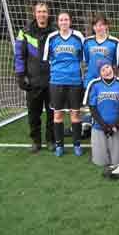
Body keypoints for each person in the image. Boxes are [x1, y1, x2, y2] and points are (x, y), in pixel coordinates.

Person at [14, 2, 56, 153]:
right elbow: (19, 55)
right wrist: (20, 76)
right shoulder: (25, 32)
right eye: (39, 11)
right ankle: (36, 141)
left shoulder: (55, 32)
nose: (42, 14)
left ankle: (51, 140)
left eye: (44, 11)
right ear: (35, 14)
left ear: (48, 14)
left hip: (52, 81)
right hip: (33, 81)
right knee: (33, 114)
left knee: (52, 114)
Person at [43, 12, 84, 157]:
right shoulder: (52, 38)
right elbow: (47, 59)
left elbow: (82, 58)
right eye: (61, 20)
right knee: (57, 114)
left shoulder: (78, 36)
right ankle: (60, 145)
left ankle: (77, 144)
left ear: (70, 21)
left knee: (75, 114)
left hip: (74, 81)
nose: (64, 22)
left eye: (66, 19)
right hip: (57, 81)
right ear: (58, 22)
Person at [83, 62, 119, 166]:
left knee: (117, 162)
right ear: (99, 74)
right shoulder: (94, 84)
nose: (107, 71)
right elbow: (92, 108)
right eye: (103, 70)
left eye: (107, 67)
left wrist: (116, 125)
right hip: (99, 126)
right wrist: (104, 126)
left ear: (112, 67)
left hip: (117, 126)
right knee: (100, 162)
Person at [83, 14, 119, 88]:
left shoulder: (114, 42)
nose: (99, 28)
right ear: (93, 27)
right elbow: (87, 60)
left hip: (107, 78)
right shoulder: (87, 42)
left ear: (106, 26)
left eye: (101, 25)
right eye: (96, 26)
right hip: (91, 79)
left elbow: (115, 63)